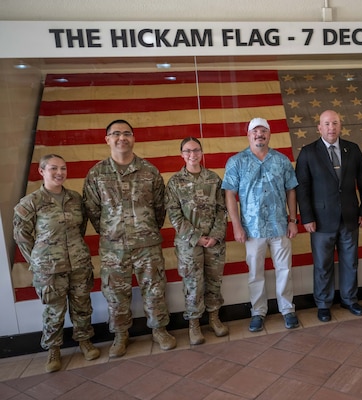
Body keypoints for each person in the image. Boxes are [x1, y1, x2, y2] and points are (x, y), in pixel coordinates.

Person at [82, 119, 176, 358]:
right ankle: (121, 334)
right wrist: (112, 232)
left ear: (133, 138)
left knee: (154, 289)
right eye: (116, 134)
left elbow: (159, 207)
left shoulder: (149, 171)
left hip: (147, 244)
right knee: (115, 294)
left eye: (126, 134)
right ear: (107, 139)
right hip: (114, 247)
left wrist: (146, 229)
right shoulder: (96, 173)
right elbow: (92, 211)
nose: (121, 138)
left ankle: (159, 330)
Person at [14, 154, 100, 373]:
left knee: (82, 305)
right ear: (42, 171)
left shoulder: (75, 198)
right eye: (53, 168)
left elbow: (79, 230)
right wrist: (37, 260)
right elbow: (22, 235)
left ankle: (84, 341)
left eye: (63, 168)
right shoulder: (31, 202)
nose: (59, 173)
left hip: (78, 263)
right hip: (49, 269)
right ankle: (53, 349)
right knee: (54, 310)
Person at [222, 117, 299, 332]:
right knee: (255, 273)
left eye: (263, 131)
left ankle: (287, 309)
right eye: (255, 131)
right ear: (248, 135)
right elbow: (230, 194)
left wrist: (293, 220)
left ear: (269, 135)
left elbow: (291, 190)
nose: (259, 135)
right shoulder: (236, 162)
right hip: (252, 229)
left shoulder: (281, 160)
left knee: (284, 269)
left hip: (280, 226)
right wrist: (236, 225)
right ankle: (258, 311)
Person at [295, 110, 362, 322]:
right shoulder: (308, 152)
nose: (331, 127)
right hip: (320, 221)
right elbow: (302, 188)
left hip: (350, 217)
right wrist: (307, 217)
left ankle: (349, 299)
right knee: (322, 265)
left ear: (340, 126)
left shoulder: (353, 149)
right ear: (319, 127)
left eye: (335, 123)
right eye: (327, 124)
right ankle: (323, 303)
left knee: (350, 262)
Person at [165, 137, 228, 345]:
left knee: (214, 281)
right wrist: (197, 238)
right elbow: (174, 215)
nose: (192, 154)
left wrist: (215, 236)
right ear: (182, 154)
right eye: (188, 151)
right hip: (189, 244)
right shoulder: (175, 183)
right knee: (193, 284)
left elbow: (222, 208)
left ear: (202, 153)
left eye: (196, 150)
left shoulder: (213, 179)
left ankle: (214, 318)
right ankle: (194, 324)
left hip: (213, 242)